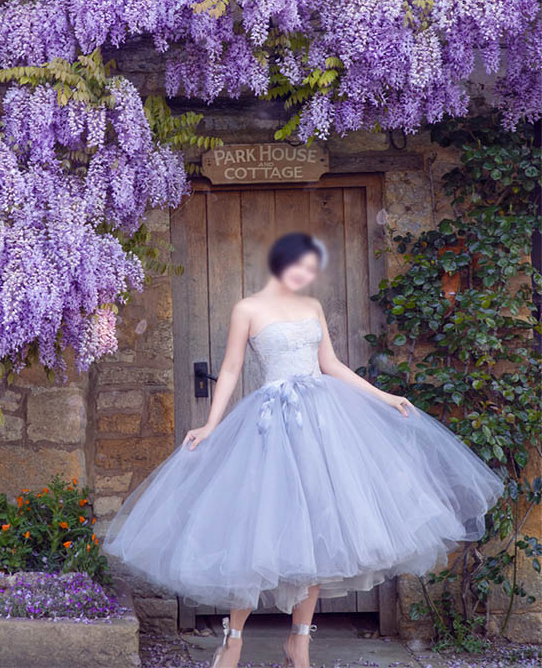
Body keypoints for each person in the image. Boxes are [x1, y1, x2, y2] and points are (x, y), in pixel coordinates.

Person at [101, 231, 505, 668]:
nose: (306, 274)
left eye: (312, 269)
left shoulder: (312, 307)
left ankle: (300, 642)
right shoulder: (247, 309)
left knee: (318, 530)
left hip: (322, 425)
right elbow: (232, 368)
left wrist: (383, 397)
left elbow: (329, 364)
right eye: (301, 265)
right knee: (257, 531)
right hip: (271, 427)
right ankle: (233, 639)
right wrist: (211, 424)